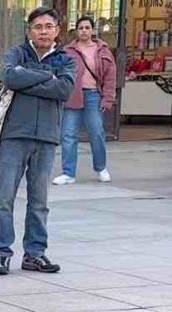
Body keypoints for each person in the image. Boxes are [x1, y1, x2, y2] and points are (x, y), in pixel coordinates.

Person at [0, 6, 75, 277]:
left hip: (47, 137)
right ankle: (2, 254)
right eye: (38, 27)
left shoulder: (66, 59)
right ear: (29, 30)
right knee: (5, 198)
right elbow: (10, 76)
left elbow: (64, 89)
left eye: (48, 26)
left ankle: (35, 254)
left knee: (40, 201)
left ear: (57, 30)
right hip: (14, 135)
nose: (43, 31)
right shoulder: (16, 53)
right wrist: (45, 74)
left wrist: (28, 78)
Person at [53, 16, 116, 185]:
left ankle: (101, 167)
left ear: (92, 30)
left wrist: (107, 99)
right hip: (72, 96)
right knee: (68, 134)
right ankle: (68, 173)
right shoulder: (68, 51)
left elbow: (110, 77)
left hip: (93, 95)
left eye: (87, 28)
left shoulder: (102, 50)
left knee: (96, 132)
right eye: (81, 28)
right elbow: (58, 73)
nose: (84, 31)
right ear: (76, 31)